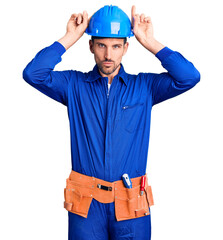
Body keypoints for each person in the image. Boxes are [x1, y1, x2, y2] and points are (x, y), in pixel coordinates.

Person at [23, 5, 200, 240]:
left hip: (130, 203)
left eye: (116, 46)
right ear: (91, 46)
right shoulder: (74, 86)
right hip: (86, 206)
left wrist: (150, 41)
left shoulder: (145, 87)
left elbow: (189, 77)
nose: (108, 55)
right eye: (101, 45)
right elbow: (33, 73)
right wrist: (70, 37)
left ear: (126, 48)